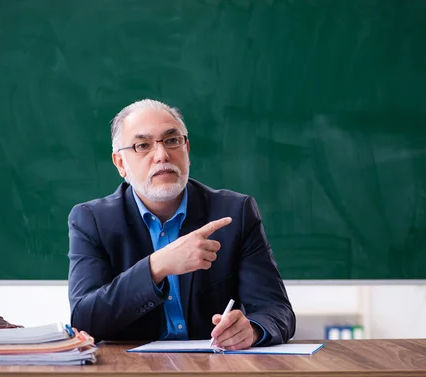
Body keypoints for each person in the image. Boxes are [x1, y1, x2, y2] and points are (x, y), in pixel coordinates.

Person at [68, 99, 295, 350]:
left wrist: (252, 330)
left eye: (172, 140)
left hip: (214, 372)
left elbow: (276, 310)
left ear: (186, 148)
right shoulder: (91, 220)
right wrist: (157, 266)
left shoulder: (234, 213)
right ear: (120, 163)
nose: (162, 155)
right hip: (130, 375)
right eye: (143, 145)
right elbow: (84, 320)